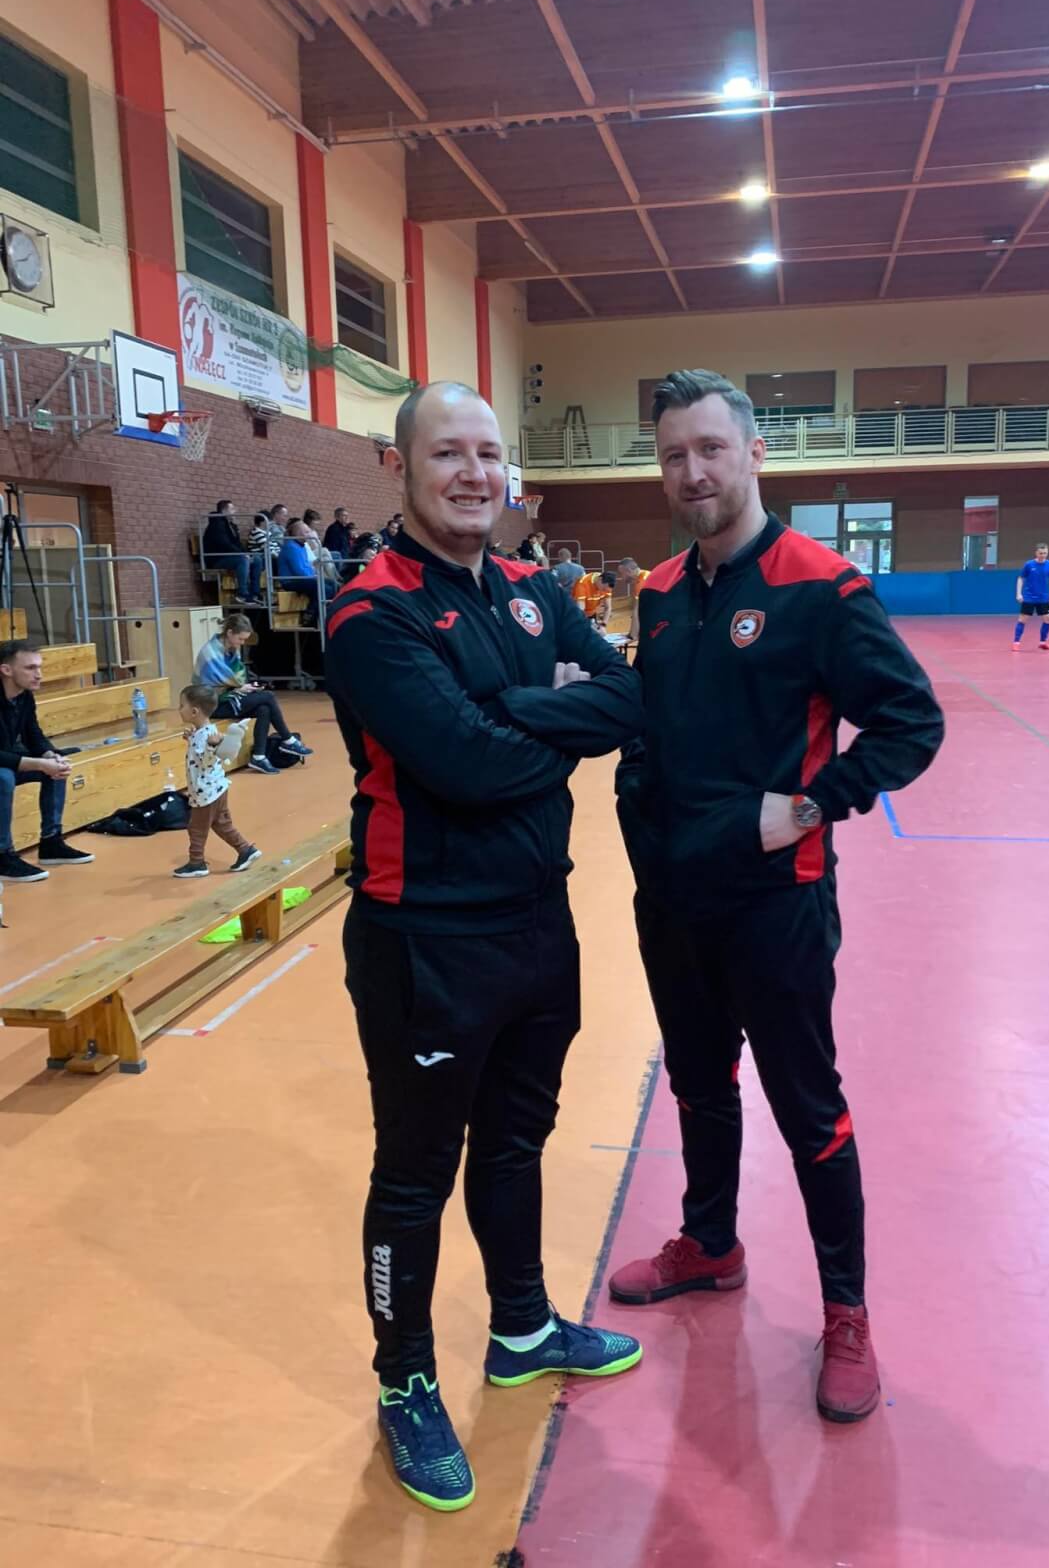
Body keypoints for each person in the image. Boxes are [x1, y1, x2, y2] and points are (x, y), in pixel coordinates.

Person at [324, 380, 645, 1513]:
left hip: (538, 923)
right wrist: (551, 721)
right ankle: (405, 1380)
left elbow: (628, 698)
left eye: (488, 453)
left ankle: (521, 1325)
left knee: (515, 1142)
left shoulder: (532, 586)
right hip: (425, 937)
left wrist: (512, 714)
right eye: (448, 453)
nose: (473, 473)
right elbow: (463, 767)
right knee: (414, 1171)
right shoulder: (372, 612)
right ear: (400, 466)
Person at [607, 370, 944, 1425]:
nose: (692, 471)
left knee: (808, 1108)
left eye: (711, 448)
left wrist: (810, 807)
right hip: (674, 902)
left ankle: (846, 1313)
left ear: (755, 453)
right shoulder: (662, 591)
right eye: (674, 454)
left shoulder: (823, 587)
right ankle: (711, 1241)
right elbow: (654, 723)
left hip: (776, 905)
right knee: (699, 1084)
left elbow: (912, 724)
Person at [0, 640, 96, 882]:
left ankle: (51, 842)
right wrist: (39, 764)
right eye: (30, 668)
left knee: (57, 766)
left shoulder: (24, 696)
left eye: (39, 667)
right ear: (6, 670)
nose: (39, 674)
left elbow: (34, 735)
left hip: (9, 756)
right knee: (4, 778)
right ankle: (3, 855)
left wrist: (49, 755)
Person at [193, 612, 313, 775]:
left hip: (228, 696)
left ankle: (259, 756)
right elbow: (218, 684)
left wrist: (242, 687)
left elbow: (236, 678)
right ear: (230, 633)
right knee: (268, 697)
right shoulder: (210, 653)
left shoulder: (231, 649)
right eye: (240, 639)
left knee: (264, 709)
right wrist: (239, 688)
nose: (242, 643)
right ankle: (287, 739)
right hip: (210, 703)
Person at [173, 684, 261, 879]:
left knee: (196, 828)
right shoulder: (205, 731)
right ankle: (245, 850)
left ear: (194, 711)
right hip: (217, 788)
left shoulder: (208, 737)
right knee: (221, 824)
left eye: (181, 705)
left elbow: (207, 759)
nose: (179, 709)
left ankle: (196, 863)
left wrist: (211, 746)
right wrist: (191, 739)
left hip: (206, 793)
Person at [202, 500, 262, 606]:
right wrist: (242, 555)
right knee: (242, 560)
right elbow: (224, 543)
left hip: (231, 557)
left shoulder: (231, 525)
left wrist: (245, 553)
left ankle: (255, 593)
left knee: (257, 559)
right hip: (217, 559)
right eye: (232, 509)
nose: (235, 511)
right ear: (224, 511)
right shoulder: (216, 524)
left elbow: (237, 544)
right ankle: (242, 594)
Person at [277, 519, 337, 609]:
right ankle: (311, 613)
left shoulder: (302, 546)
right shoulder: (291, 547)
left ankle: (325, 611)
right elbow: (299, 571)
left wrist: (313, 574)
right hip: (291, 581)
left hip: (302, 578)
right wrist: (313, 575)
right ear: (298, 533)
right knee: (325, 588)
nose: (309, 535)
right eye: (306, 532)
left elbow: (306, 567)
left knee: (333, 584)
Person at [1012, 544, 1049, 651]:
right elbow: (1020, 578)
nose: (1043, 555)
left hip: (1043, 598)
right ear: (1036, 553)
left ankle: (1043, 642)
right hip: (1029, 597)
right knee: (1023, 619)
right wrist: (1019, 594)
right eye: (1041, 553)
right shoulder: (1029, 564)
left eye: (1045, 553)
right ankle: (1016, 642)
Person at [616, 556, 652, 642]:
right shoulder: (646, 574)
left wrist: (632, 635)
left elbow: (636, 610)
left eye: (622, 574)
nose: (622, 577)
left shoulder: (641, 583)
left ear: (628, 571)